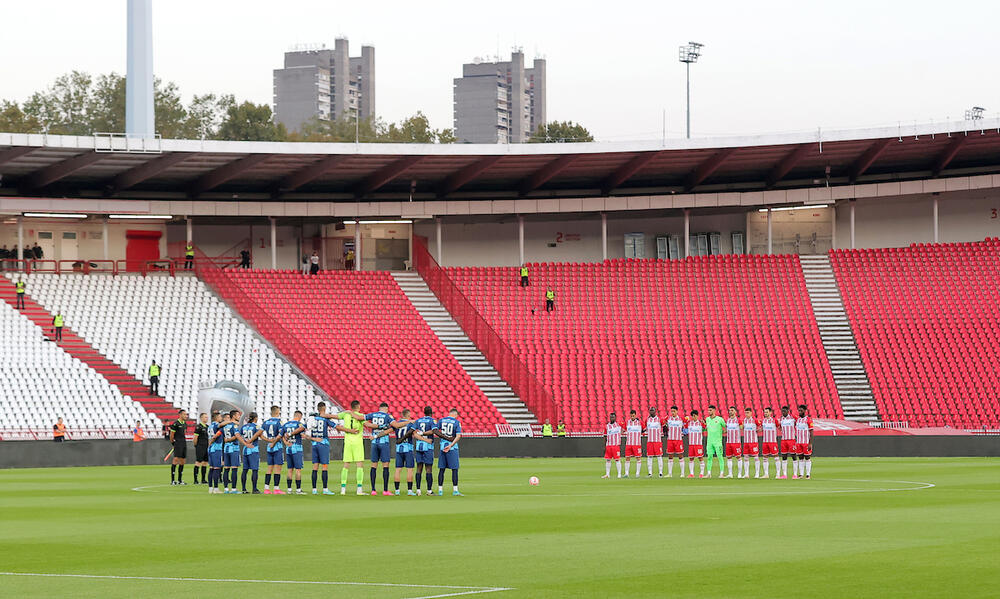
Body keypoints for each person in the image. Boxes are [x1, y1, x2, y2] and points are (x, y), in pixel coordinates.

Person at [307, 402, 356, 495]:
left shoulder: (312, 419)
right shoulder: (325, 419)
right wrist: (351, 431)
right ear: (324, 409)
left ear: (318, 409)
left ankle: (314, 489)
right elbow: (338, 427)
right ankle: (325, 489)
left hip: (314, 444)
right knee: (324, 466)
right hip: (323, 443)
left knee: (315, 467)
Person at [383, 409, 416, 495]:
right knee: (410, 470)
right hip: (408, 448)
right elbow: (415, 434)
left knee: (398, 469)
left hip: (398, 449)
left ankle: (397, 491)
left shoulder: (397, 424)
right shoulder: (410, 423)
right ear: (408, 415)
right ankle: (409, 491)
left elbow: (388, 431)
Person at [338, 401, 367, 495]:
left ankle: (343, 489)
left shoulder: (345, 414)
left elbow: (333, 417)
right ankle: (359, 489)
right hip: (357, 443)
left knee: (346, 466)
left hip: (348, 443)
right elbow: (368, 425)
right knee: (359, 465)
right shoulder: (360, 416)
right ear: (358, 406)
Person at [366, 403, 395, 496]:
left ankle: (373, 490)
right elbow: (394, 426)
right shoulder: (387, 416)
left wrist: (374, 426)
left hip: (374, 443)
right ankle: (385, 490)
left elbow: (364, 421)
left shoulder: (373, 414)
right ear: (386, 409)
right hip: (384, 442)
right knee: (385, 465)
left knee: (374, 465)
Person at [434, 408, 463, 496]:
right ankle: (455, 490)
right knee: (454, 469)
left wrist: (443, 437)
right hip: (452, 448)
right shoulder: (457, 422)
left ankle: (440, 490)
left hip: (442, 446)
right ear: (456, 415)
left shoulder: (441, 420)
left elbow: (435, 430)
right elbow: (458, 436)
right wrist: (451, 445)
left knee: (441, 469)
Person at [412, 406, 437, 496]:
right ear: (431, 413)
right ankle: (429, 490)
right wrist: (425, 435)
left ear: (424, 412)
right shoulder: (432, 421)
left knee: (419, 468)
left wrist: (420, 435)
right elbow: (433, 431)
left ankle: (418, 490)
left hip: (419, 446)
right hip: (428, 447)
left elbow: (414, 432)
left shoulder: (418, 421)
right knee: (428, 468)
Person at [281, 411, 306, 494]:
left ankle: (289, 489)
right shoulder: (299, 424)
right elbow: (302, 433)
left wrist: (285, 443)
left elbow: (281, 435)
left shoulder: (286, 424)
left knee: (290, 470)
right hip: (297, 448)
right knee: (298, 470)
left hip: (288, 449)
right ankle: (298, 490)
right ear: (299, 416)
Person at [261, 407, 285, 494]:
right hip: (277, 446)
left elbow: (260, 434)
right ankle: (276, 489)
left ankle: (266, 488)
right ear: (277, 412)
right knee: (278, 468)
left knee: (269, 468)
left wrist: (268, 440)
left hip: (269, 447)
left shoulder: (266, 422)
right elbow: (280, 434)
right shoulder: (279, 422)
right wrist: (274, 442)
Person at [240, 412, 263, 494]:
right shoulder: (256, 426)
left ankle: (243, 488)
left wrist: (245, 443)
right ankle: (254, 489)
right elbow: (260, 434)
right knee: (255, 469)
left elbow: (239, 436)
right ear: (255, 418)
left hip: (245, 449)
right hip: (253, 449)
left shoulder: (244, 427)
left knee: (245, 470)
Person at [221, 410, 242, 494]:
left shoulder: (225, 426)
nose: (239, 416)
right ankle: (233, 489)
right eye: (238, 415)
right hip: (233, 448)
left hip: (226, 448)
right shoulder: (235, 425)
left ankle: (226, 488)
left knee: (226, 468)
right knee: (234, 468)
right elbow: (236, 436)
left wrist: (227, 440)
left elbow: (223, 436)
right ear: (233, 416)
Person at [703, 405, 726, 478]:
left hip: (718, 442)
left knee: (720, 457)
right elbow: (707, 428)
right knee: (709, 457)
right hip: (709, 441)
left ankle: (722, 473)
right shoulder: (707, 419)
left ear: (714, 410)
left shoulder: (720, 419)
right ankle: (709, 473)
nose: (709, 412)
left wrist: (721, 433)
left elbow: (725, 427)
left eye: (710, 410)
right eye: (708, 410)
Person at [663, 406, 685, 478]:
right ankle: (670, 473)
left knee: (680, 456)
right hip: (670, 440)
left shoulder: (681, 419)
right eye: (671, 411)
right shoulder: (668, 419)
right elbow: (664, 425)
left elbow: (685, 426)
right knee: (670, 456)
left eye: (674, 411)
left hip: (678, 440)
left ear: (677, 411)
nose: (672, 413)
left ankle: (682, 473)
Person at [795, 404, 814, 479]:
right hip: (799, 442)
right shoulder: (798, 420)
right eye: (799, 410)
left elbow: (812, 432)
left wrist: (810, 443)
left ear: (805, 411)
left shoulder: (808, 420)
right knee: (800, 458)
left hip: (806, 442)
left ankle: (808, 474)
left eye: (801, 410)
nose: (799, 412)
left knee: (807, 457)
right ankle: (801, 474)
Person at [169, 410, 188, 485]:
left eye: (186, 414)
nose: (186, 416)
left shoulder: (185, 424)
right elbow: (171, 435)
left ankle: (180, 480)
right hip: (178, 443)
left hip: (183, 443)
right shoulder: (175, 424)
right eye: (184, 414)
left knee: (183, 460)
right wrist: (173, 443)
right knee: (176, 459)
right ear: (180, 415)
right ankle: (173, 480)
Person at [760, 407, 780, 479]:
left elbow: (779, 428)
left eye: (767, 412)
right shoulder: (763, 421)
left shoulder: (775, 421)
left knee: (776, 457)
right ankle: (766, 474)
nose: (765, 414)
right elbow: (761, 429)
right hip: (765, 441)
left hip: (772, 441)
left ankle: (778, 474)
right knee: (765, 457)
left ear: (770, 412)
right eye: (765, 412)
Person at [207, 412, 224, 494]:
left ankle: (210, 488)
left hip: (210, 449)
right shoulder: (217, 425)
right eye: (220, 416)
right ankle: (216, 488)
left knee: (211, 468)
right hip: (216, 449)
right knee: (217, 468)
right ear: (216, 418)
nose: (221, 418)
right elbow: (215, 437)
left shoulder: (210, 426)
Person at [779, 405, 797, 480]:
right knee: (784, 457)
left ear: (788, 411)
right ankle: (784, 474)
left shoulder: (793, 418)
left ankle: (795, 474)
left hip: (791, 440)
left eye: (784, 411)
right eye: (782, 411)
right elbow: (780, 427)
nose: (783, 412)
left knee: (793, 456)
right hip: (783, 440)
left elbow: (798, 424)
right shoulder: (781, 419)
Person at [742, 407, 761, 479]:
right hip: (746, 442)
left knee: (756, 457)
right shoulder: (744, 420)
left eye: (748, 413)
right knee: (746, 458)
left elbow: (760, 427)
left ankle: (757, 474)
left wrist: (758, 429)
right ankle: (746, 474)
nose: (746, 414)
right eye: (745, 413)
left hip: (753, 442)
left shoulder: (755, 420)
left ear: (751, 413)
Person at [724, 406, 742, 479]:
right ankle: (730, 474)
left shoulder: (738, 420)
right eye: (729, 410)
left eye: (732, 410)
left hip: (736, 442)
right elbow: (725, 430)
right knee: (729, 458)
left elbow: (741, 428)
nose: (730, 411)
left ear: (735, 412)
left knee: (738, 457)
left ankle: (739, 474)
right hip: (729, 442)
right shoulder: (728, 420)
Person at [623, 410, 642, 478]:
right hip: (629, 443)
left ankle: (637, 473)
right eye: (631, 416)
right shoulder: (627, 422)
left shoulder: (639, 423)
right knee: (627, 458)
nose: (632, 417)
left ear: (635, 415)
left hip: (637, 443)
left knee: (638, 458)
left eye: (633, 415)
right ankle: (626, 473)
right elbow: (623, 430)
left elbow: (644, 429)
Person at [602, 412, 622, 479]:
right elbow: (605, 436)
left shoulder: (619, 425)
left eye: (613, 417)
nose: (612, 418)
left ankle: (619, 474)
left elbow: (625, 429)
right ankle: (607, 474)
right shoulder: (607, 426)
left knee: (617, 459)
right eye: (611, 417)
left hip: (616, 445)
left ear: (615, 418)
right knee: (608, 460)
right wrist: (605, 446)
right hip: (609, 445)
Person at [645, 406, 663, 478]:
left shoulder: (659, 420)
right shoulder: (647, 420)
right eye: (650, 411)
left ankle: (660, 472)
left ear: (655, 411)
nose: (651, 412)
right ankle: (650, 473)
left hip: (657, 441)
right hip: (650, 441)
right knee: (649, 456)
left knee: (659, 456)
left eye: (653, 411)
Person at [686, 410, 705, 478]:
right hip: (691, 444)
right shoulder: (689, 423)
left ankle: (701, 473)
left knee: (700, 458)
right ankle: (691, 474)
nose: (693, 417)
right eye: (692, 416)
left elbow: (706, 427)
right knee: (691, 459)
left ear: (697, 416)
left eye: (695, 415)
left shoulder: (701, 423)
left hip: (698, 444)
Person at [193, 413, 210, 484]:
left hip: (206, 446)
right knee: (198, 462)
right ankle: (196, 480)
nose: (207, 418)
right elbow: (195, 438)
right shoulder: (198, 427)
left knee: (205, 462)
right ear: (201, 418)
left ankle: (203, 479)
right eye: (205, 417)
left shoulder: (208, 427)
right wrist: (196, 445)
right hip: (200, 446)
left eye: (207, 417)